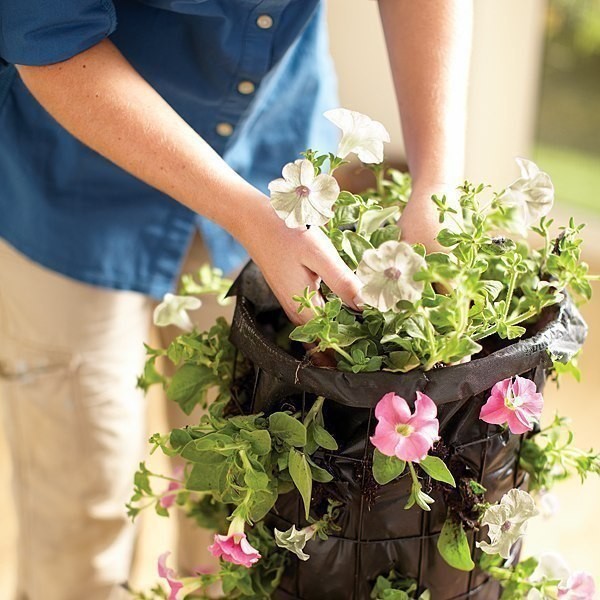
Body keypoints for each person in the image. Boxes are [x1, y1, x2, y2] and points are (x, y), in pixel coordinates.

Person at [0, 1, 472, 598]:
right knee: (81, 513)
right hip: (73, 179)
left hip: (269, 156)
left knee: (240, 505)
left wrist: (436, 177)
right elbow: (48, 32)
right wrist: (249, 215)